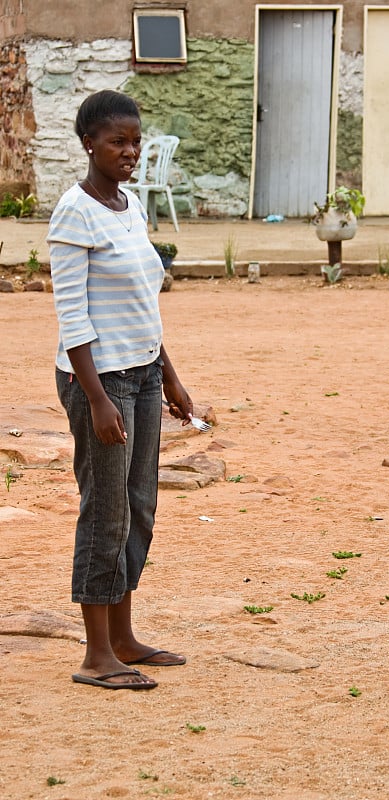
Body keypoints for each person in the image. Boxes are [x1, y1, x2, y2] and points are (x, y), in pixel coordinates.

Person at [48, 90, 192, 690]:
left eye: (135, 141)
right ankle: (96, 655)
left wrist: (172, 375)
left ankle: (125, 638)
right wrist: (99, 398)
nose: (130, 152)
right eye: (117, 142)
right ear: (89, 143)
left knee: (137, 509)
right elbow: (73, 316)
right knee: (104, 513)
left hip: (143, 372)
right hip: (98, 381)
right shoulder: (73, 211)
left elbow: (142, 304)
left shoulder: (128, 204)